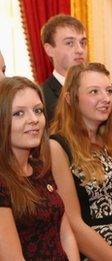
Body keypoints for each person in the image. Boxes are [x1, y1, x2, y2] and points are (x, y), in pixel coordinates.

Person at [49, 63, 112, 259]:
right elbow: (73, 222)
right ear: (70, 99)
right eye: (94, 92)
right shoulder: (58, 147)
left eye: (108, 91)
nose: (106, 98)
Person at [0, 77, 79, 260]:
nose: (34, 119)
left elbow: (65, 234)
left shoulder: (39, 168)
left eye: (38, 110)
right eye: (19, 113)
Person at [41, 14, 87, 122]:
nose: (80, 50)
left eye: (83, 43)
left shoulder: (99, 92)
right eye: (70, 43)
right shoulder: (42, 98)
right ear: (49, 50)